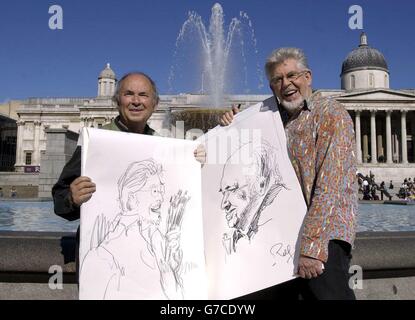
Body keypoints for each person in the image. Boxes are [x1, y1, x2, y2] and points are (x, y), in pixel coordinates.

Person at [220, 47, 357, 300]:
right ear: (271, 86)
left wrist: (312, 247)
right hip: (285, 234)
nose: (286, 84)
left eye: (292, 75)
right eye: (277, 79)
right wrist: (233, 126)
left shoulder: (331, 115)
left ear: (308, 77)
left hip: (324, 238)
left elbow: (331, 187)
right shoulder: (274, 121)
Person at [52, 72, 205, 280]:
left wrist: (196, 164)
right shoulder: (94, 143)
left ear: (155, 103)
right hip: (104, 264)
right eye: (128, 94)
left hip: (151, 260)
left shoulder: (165, 147)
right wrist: (72, 198)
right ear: (117, 101)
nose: (136, 101)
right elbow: (59, 200)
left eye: (143, 95)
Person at [80, 159, 188, 299]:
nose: (161, 198)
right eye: (154, 191)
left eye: (161, 191)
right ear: (131, 198)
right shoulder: (102, 257)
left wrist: (169, 267)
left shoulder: (158, 243)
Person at [219, 140, 286, 255]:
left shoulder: (281, 229)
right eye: (223, 192)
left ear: (261, 185)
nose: (223, 204)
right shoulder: (235, 238)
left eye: (231, 190)